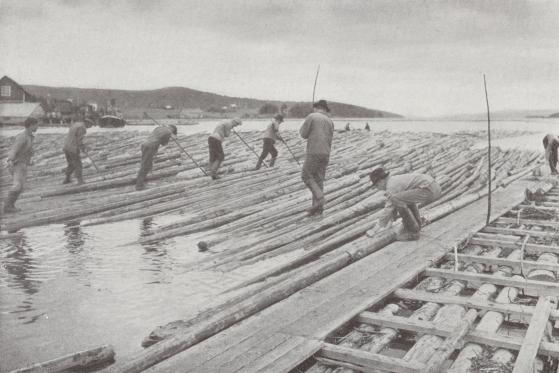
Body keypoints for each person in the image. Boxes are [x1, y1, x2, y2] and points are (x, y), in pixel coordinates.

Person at [369, 167, 441, 241]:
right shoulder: (393, 180)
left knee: (395, 198)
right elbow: (396, 204)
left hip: (429, 189)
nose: (378, 189)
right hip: (434, 187)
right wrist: (391, 221)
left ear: (381, 181)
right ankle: (417, 225)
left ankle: (412, 232)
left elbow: (389, 207)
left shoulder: (391, 186)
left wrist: (376, 228)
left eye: (377, 186)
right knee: (403, 198)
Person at [299, 99, 334, 216]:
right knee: (319, 179)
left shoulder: (312, 116)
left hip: (314, 152)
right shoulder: (330, 121)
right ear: (325, 109)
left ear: (316, 107)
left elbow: (303, 134)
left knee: (306, 175)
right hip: (326, 153)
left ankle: (320, 198)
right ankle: (318, 209)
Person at [3, 117, 39, 213]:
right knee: (17, 186)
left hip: (23, 164)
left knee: (21, 186)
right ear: (31, 125)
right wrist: (10, 160)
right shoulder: (22, 136)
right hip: (17, 164)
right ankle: (7, 207)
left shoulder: (30, 136)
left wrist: (29, 161)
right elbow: (14, 149)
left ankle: (10, 206)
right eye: (36, 125)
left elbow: (28, 151)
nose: (37, 127)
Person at [135, 125, 177, 190]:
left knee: (147, 164)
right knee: (145, 165)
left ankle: (142, 180)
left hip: (144, 144)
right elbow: (164, 143)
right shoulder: (168, 132)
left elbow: (155, 136)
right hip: (151, 147)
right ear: (173, 130)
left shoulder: (159, 127)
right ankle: (139, 185)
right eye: (173, 132)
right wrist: (171, 138)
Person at [63, 119, 94, 185]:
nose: (90, 127)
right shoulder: (82, 128)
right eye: (90, 125)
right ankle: (80, 181)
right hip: (73, 148)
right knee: (78, 164)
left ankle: (67, 178)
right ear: (87, 123)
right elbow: (79, 140)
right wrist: (83, 148)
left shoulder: (75, 124)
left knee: (71, 164)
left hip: (66, 147)